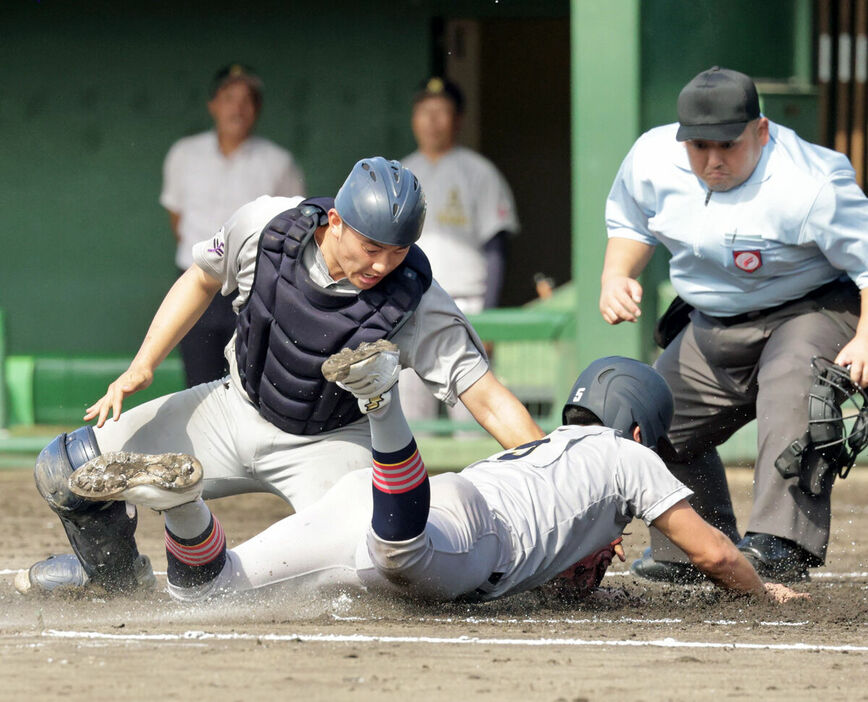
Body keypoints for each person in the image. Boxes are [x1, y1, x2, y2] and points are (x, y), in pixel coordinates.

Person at [16, 157, 543, 596]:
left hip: (334, 444)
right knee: (67, 469)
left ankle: (210, 570)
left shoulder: (417, 300)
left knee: (383, 567)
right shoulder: (265, 226)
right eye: (371, 248)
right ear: (335, 220)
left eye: (398, 251)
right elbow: (201, 277)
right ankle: (115, 580)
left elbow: (490, 399)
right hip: (233, 410)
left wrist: (552, 482)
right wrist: (143, 363)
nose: (382, 266)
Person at [52, 350, 807, 605]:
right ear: (639, 428)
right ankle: (382, 406)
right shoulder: (632, 457)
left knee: (206, 593)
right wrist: (762, 590)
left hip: (406, 501)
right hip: (445, 530)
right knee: (403, 551)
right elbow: (712, 553)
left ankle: (183, 505)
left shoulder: (547, 451)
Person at [601, 66, 868, 583]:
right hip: (712, 319)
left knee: (794, 384)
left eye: (727, 144)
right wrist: (616, 276)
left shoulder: (811, 181)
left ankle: (780, 545)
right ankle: (694, 551)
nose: (713, 160)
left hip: (809, 309)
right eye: (699, 146)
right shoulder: (653, 159)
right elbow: (629, 223)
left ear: (761, 131)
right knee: (651, 413)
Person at [160, 63, 306, 387]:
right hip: (195, 281)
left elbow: (295, 227)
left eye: (247, 100)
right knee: (197, 386)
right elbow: (177, 219)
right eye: (229, 98)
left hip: (255, 286)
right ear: (213, 105)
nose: (237, 108)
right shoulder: (184, 154)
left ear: (257, 109)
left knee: (252, 385)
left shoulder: (278, 162)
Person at [399, 77, 520, 426]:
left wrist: (490, 320)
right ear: (413, 119)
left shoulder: (478, 171)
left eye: (442, 112)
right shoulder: (400, 171)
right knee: (410, 421)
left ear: (458, 119)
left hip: (466, 306)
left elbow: (496, 247)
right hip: (408, 304)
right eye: (425, 111)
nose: (433, 120)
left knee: (472, 418)